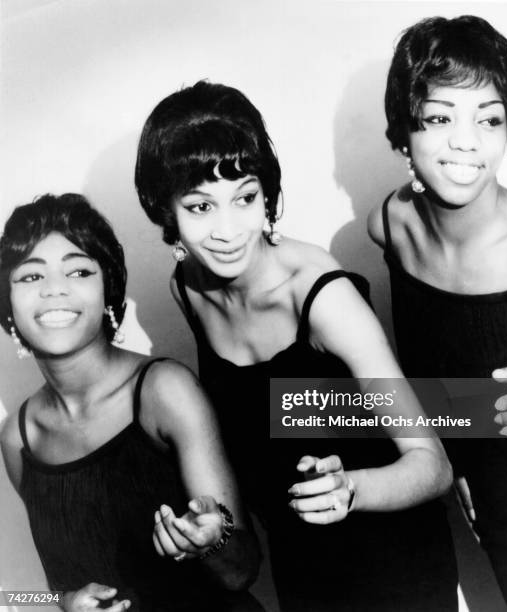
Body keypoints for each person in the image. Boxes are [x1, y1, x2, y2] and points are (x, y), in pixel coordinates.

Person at [135, 80, 457, 611]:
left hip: (396, 563)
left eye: (245, 198)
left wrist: (348, 488)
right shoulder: (188, 288)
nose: (228, 230)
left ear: (268, 196)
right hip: (301, 565)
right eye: (199, 206)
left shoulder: (323, 299)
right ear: (165, 212)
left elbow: (432, 464)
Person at [0, 194, 263, 612]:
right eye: (30, 278)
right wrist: (63, 600)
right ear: (9, 310)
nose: (54, 289)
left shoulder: (164, 390)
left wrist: (214, 541)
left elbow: (242, 572)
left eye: (79, 270)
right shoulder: (19, 436)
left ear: (108, 291)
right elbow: (27, 594)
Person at [368, 15, 507, 610]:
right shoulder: (390, 226)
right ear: (403, 132)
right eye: (439, 118)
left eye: (488, 118)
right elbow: (431, 374)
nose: (466, 141)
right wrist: (448, 448)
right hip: (486, 495)